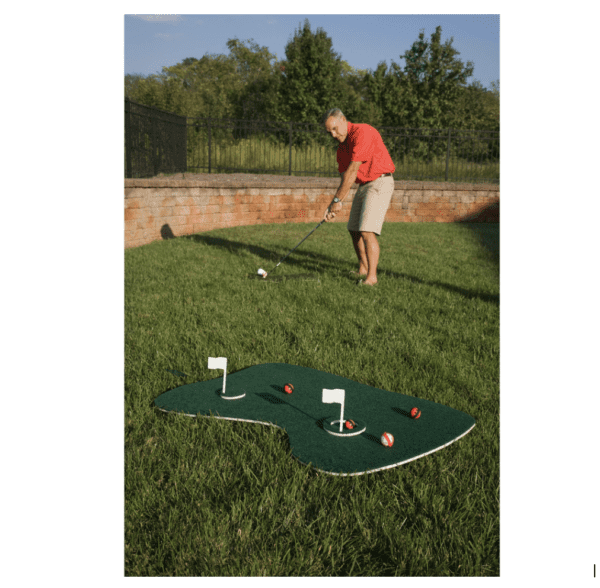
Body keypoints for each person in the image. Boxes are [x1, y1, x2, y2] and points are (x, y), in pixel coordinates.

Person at [321, 109, 395, 286]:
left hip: (380, 182)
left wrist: (337, 201)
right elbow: (345, 178)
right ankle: (363, 268)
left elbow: (353, 169)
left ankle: (372, 278)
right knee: (353, 229)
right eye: (328, 131)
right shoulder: (341, 150)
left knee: (366, 231)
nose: (332, 134)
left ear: (344, 120)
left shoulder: (363, 132)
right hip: (364, 186)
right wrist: (335, 203)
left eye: (334, 128)